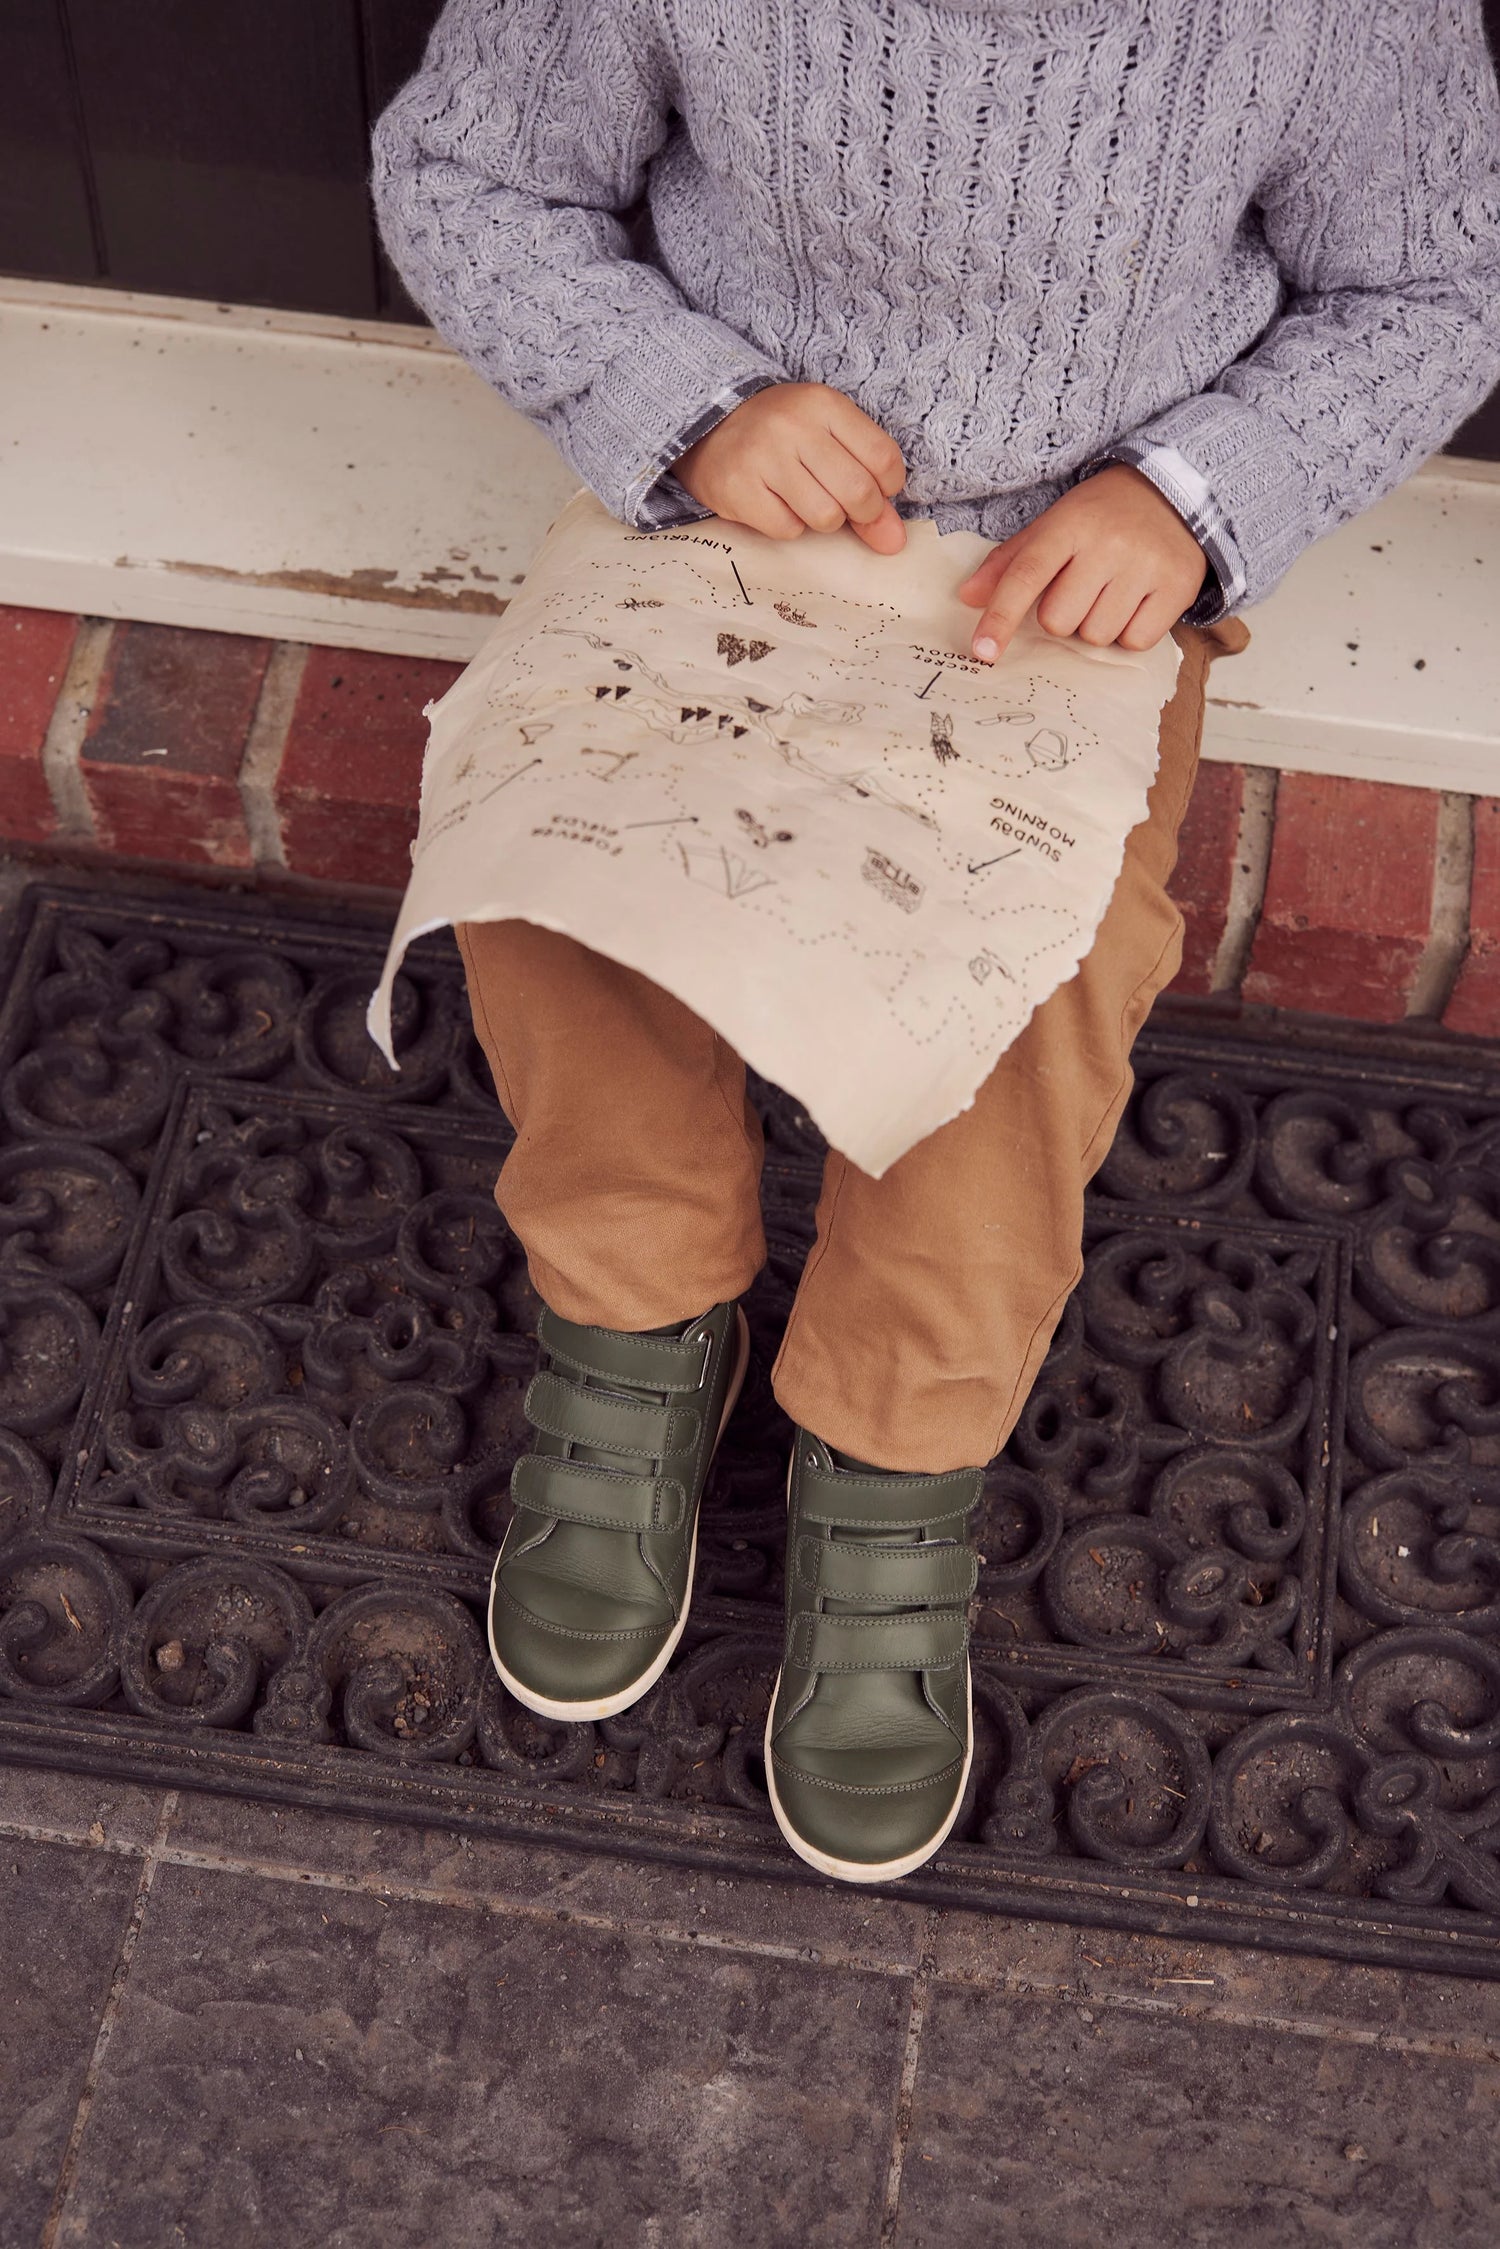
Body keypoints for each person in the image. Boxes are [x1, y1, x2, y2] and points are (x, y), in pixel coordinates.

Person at [373, 0, 1500, 1883]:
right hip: (720, 514)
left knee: (1029, 985)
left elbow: (1438, 280)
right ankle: (639, 1315)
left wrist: (1192, 495)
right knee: (555, 874)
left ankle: (897, 1438)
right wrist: (691, 401)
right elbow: (466, 170)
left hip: (1066, 578)